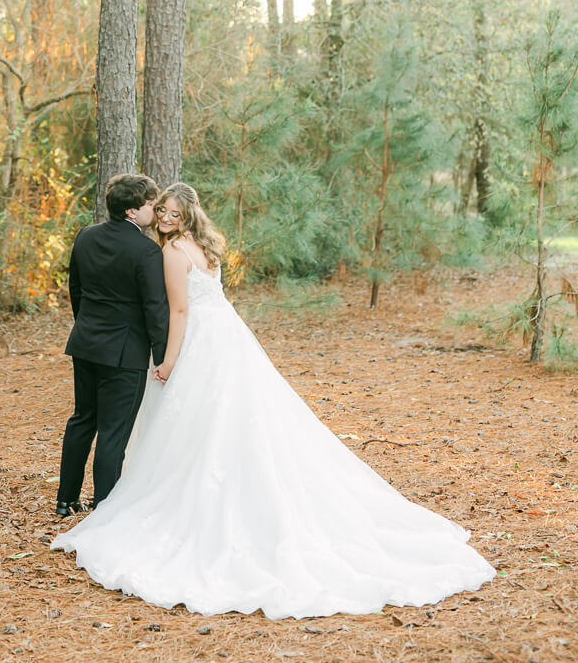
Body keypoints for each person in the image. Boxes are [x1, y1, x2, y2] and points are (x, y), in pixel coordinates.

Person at [52, 182, 495, 619]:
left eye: (172, 213)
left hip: (173, 345)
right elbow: (175, 304)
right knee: (229, 418)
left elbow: (173, 310)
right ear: (142, 211)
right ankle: (93, 498)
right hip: (226, 340)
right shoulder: (200, 248)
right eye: (159, 209)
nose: (164, 217)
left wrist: (165, 359)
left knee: (144, 423)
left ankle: (85, 501)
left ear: (185, 216)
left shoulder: (155, 249)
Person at [54, 173, 169, 518]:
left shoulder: (86, 237)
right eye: (151, 204)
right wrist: (163, 357)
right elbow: (155, 309)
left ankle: (65, 499)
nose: (156, 209)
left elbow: (76, 290)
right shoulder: (146, 251)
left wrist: (87, 326)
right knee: (113, 432)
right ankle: (105, 507)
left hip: (86, 343)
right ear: (133, 211)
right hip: (125, 353)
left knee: (82, 420)